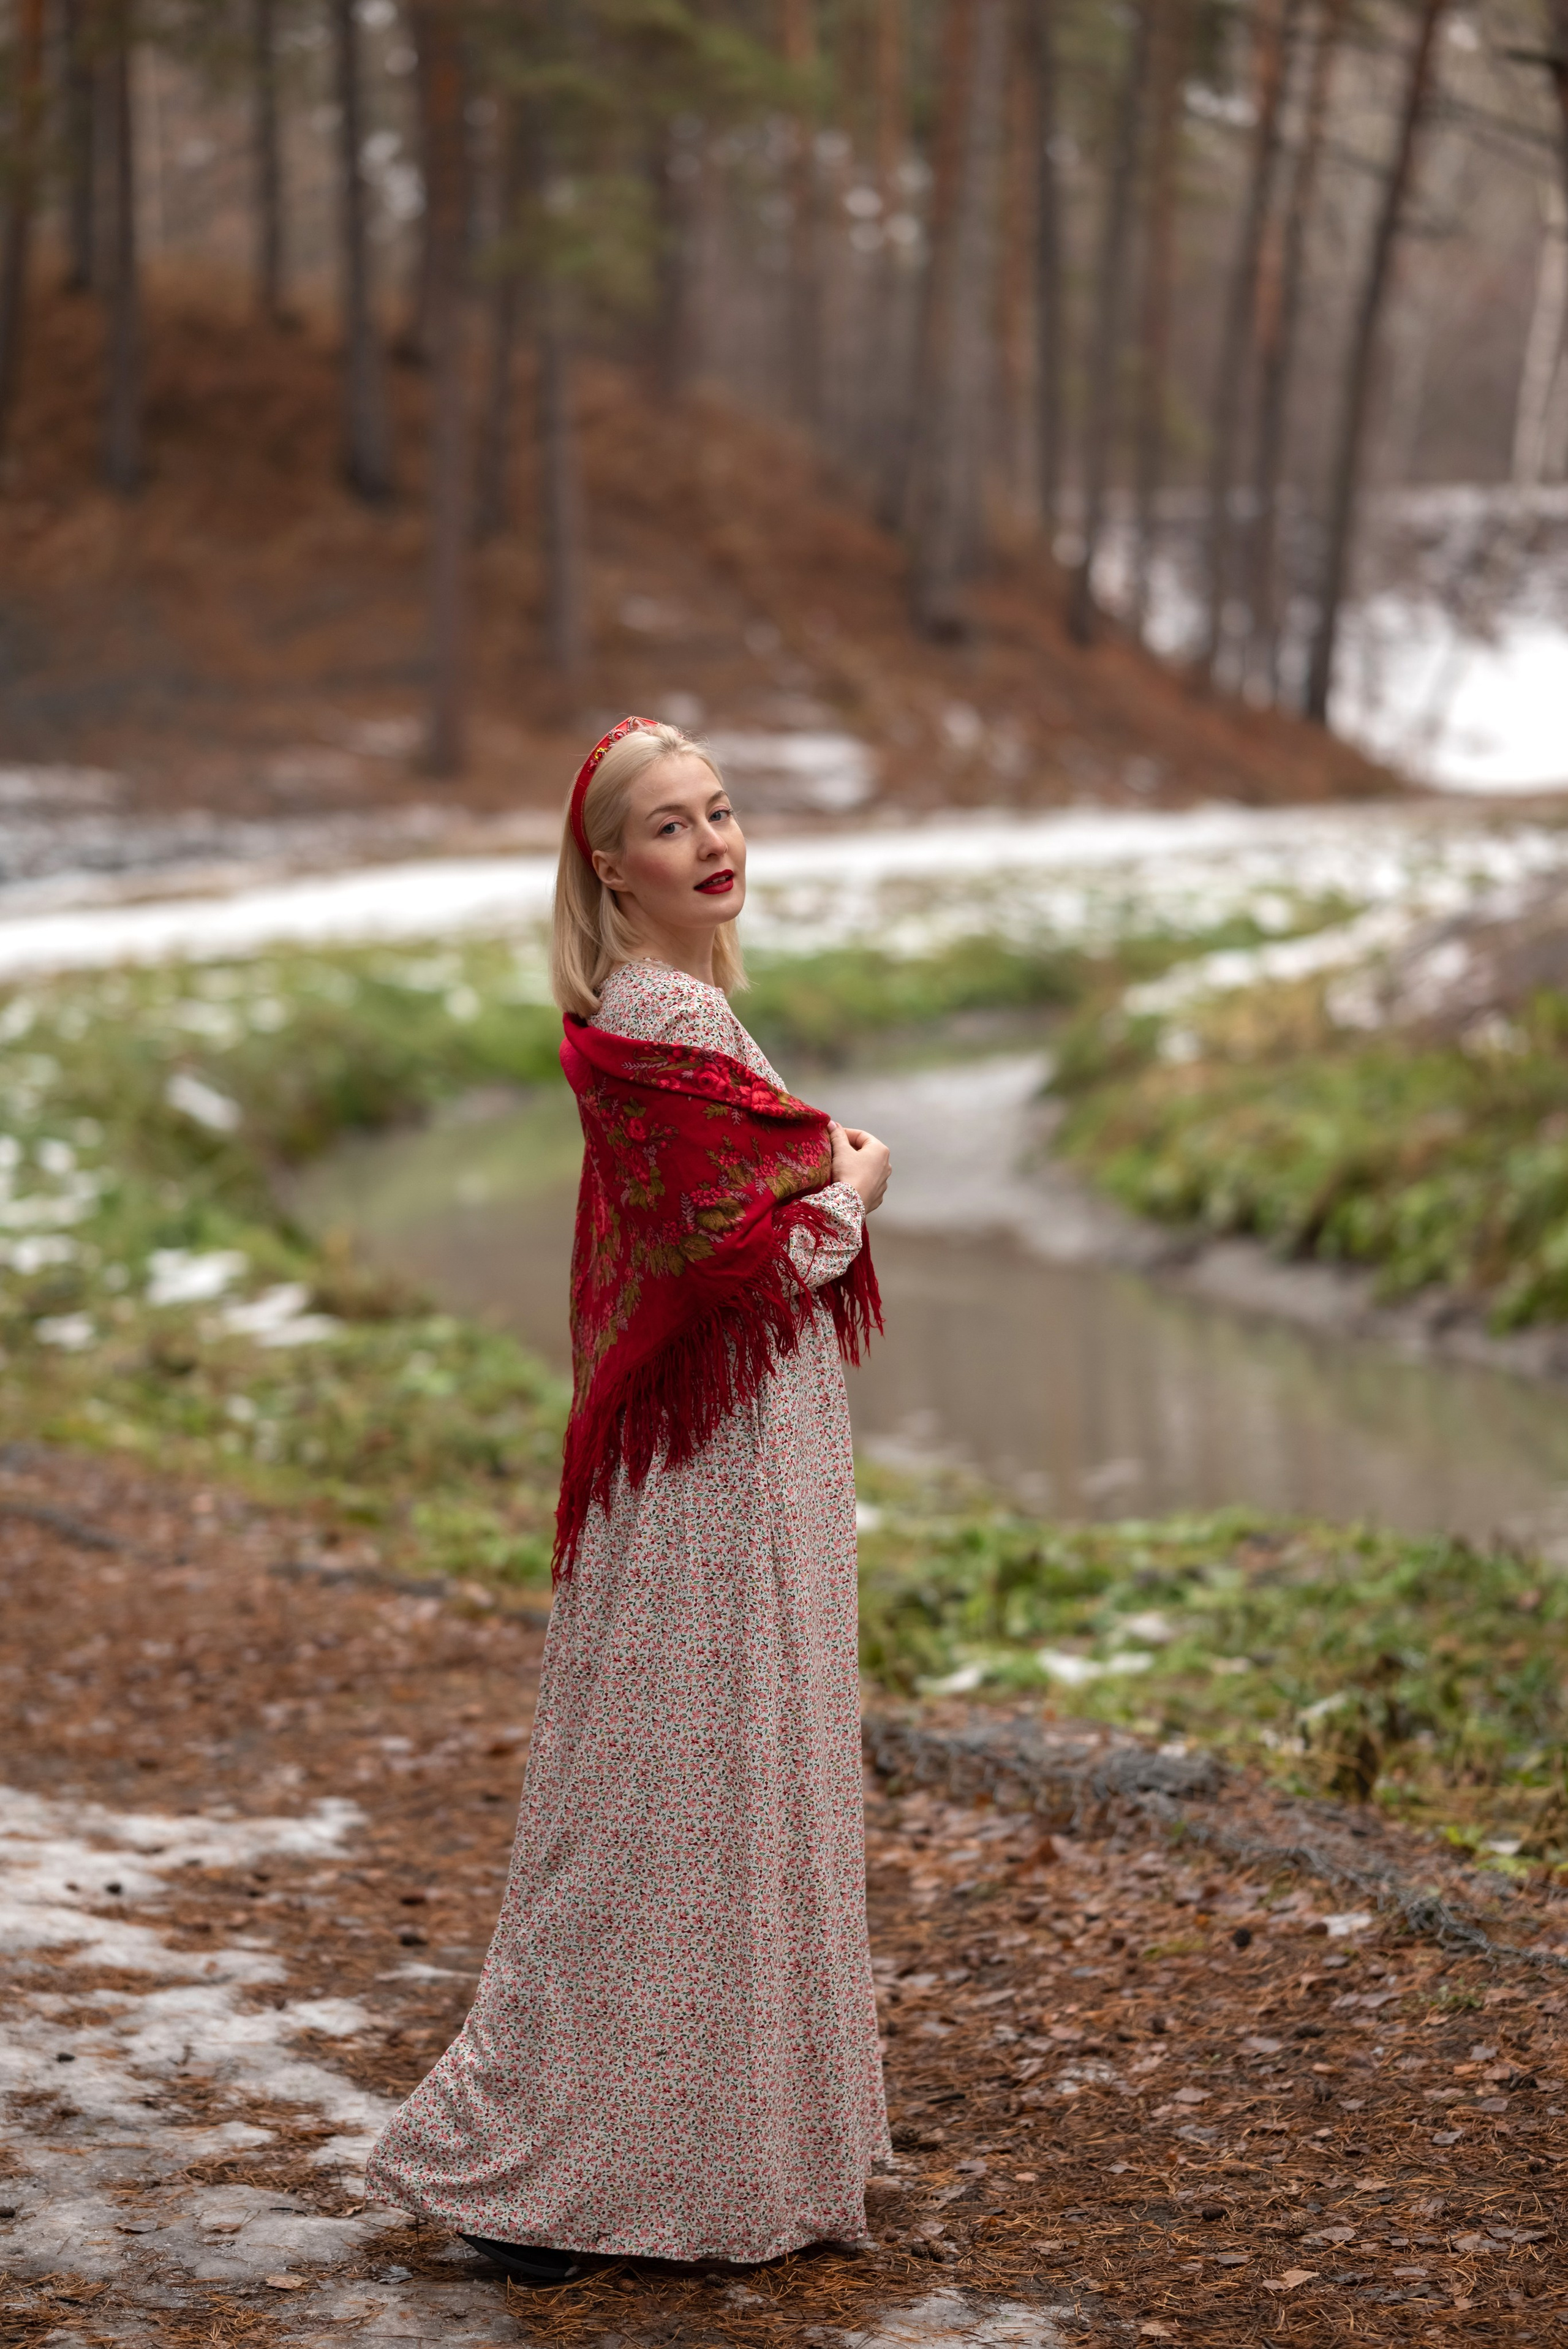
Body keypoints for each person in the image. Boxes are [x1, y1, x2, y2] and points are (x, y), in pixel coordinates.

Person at [364, 717, 893, 2285]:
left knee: (693, 1784)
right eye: (669, 828)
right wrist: (852, 1195)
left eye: (721, 812)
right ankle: (560, 2164)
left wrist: (817, 1185)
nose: (712, 844)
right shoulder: (664, 1019)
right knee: (676, 1787)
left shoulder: (685, 1010)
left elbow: (726, 1225)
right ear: (609, 866)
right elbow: (726, 1260)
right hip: (712, 1463)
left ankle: (692, 2140)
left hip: (735, 1445)